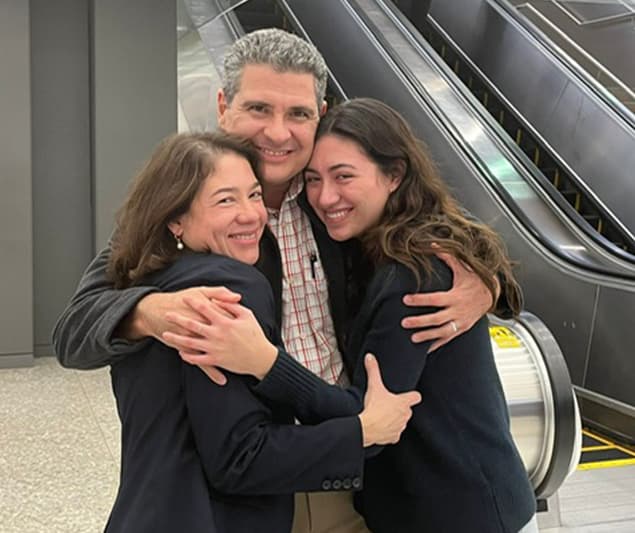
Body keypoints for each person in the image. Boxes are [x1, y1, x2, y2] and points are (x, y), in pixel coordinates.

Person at [53, 29, 505, 532]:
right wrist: (152, 312)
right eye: (258, 109)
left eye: (298, 114)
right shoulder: (181, 210)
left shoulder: (333, 204)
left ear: (320, 115)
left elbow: (439, 225)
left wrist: (490, 284)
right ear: (224, 106)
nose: (277, 133)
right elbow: (73, 333)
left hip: (350, 473)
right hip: (247, 487)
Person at [165, 99, 538, 533]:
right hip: (401, 497)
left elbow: (375, 416)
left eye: (344, 177)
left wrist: (264, 362)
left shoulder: (415, 274)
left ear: (394, 175)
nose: (326, 197)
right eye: (314, 180)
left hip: (458, 509)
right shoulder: (362, 242)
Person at [102, 130, 420, 533]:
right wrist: (362, 431)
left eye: (253, 195)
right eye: (225, 200)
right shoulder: (229, 288)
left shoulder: (145, 281)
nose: (252, 214)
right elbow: (240, 457)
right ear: (175, 220)